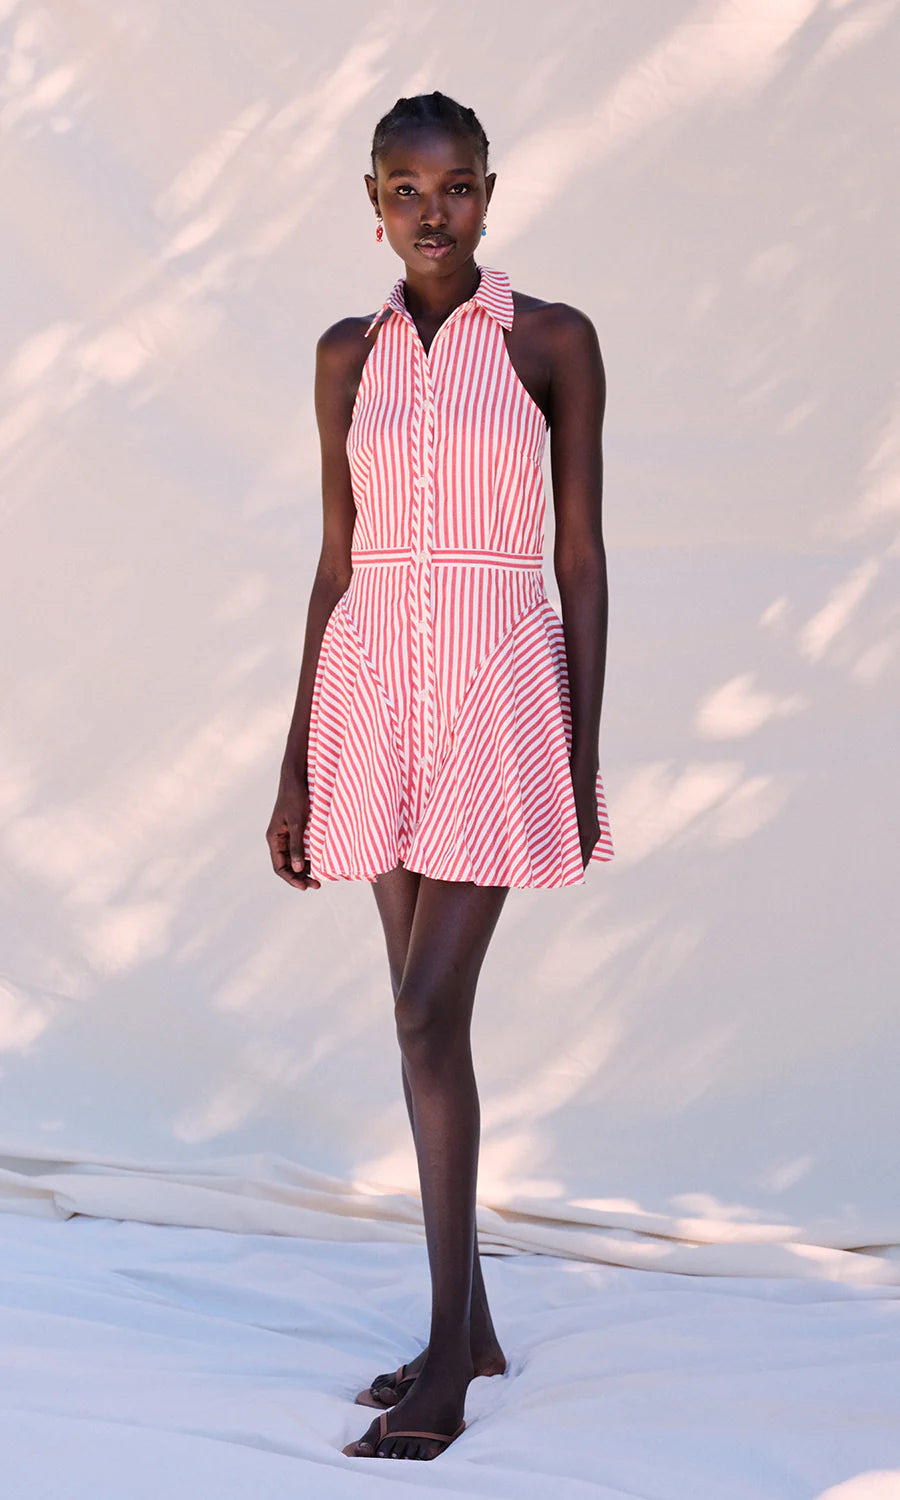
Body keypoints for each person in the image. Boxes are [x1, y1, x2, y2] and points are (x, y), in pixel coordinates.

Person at [266, 91, 614, 1462]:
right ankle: (459, 1328)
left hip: (494, 698)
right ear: (372, 201)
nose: (432, 211)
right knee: (423, 1025)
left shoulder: (551, 341)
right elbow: (336, 563)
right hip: (371, 693)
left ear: (489, 194)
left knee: (425, 1013)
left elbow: (579, 559)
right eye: (407, 190)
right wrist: (295, 765)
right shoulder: (344, 355)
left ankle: (451, 1376)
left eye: (456, 186)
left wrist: (579, 755)